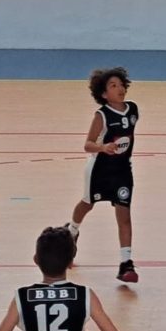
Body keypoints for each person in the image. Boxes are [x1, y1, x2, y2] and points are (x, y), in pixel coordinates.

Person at [66, 66, 140, 284]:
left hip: (122, 170)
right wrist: (103, 147)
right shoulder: (102, 115)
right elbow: (87, 144)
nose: (119, 89)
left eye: (121, 85)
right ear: (104, 94)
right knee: (87, 204)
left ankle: (126, 263)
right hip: (99, 169)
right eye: (113, 86)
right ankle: (72, 231)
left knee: (124, 215)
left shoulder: (133, 110)